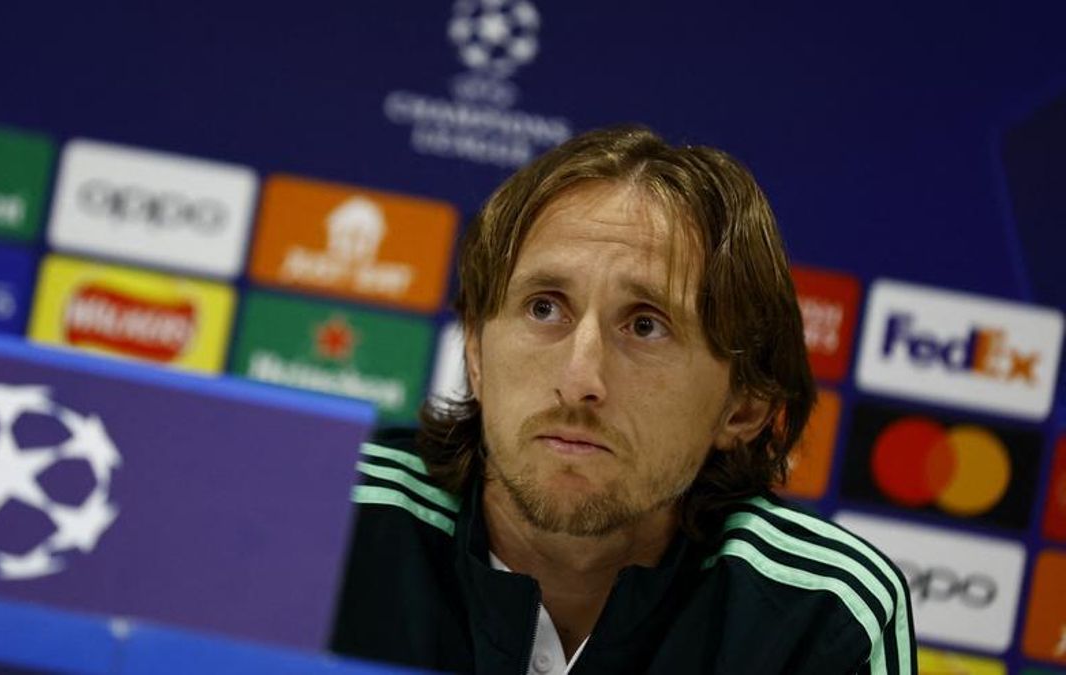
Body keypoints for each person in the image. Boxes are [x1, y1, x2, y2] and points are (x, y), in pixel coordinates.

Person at [330, 125, 914, 674]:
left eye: (644, 325)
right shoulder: (326, 513)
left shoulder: (820, 615)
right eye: (544, 308)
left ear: (743, 407)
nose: (581, 378)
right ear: (477, 353)